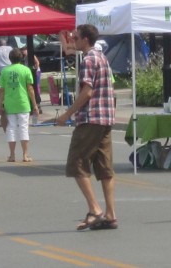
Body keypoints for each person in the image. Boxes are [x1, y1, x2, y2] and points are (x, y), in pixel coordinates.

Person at [55, 24, 118, 231]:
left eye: (76, 37)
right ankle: (110, 214)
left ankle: (95, 210)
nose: (73, 40)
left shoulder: (89, 60)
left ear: (85, 39)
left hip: (91, 118)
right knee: (104, 167)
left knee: (77, 163)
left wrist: (67, 114)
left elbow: (87, 92)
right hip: (105, 118)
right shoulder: (103, 58)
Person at [0, 48, 41, 162]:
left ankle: (12, 155)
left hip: (9, 103)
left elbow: (2, 90)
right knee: (23, 128)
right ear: (21, 58)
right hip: (23, 103)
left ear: (10, 59)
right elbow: (30, 88)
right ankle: (25, 155)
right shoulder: (26, 70)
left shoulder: (4, 71)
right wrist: (35, 105)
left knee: (11, 128)